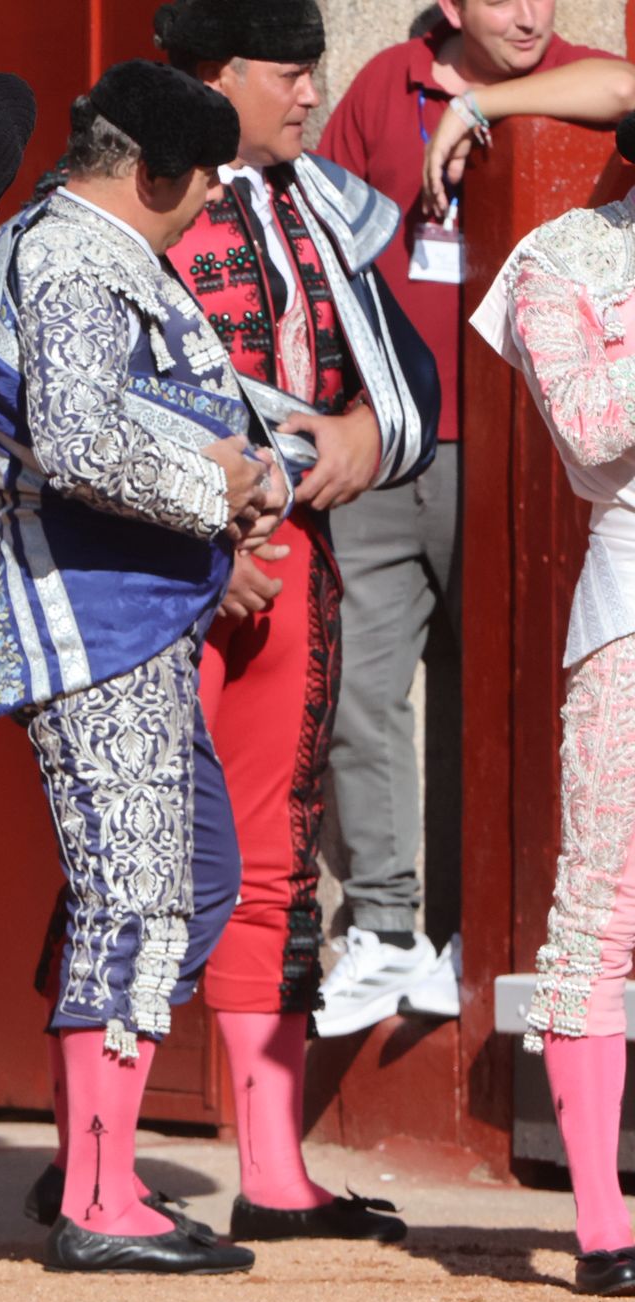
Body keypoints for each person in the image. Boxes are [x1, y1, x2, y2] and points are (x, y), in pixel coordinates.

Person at [0, 58, 273, 1276]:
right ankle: (95, 1193)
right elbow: (78, 441)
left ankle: (93, 1166)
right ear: (155, 171)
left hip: (126, 606)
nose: (210, 203)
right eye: (203, 182)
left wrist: (249, 474)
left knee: (178, 880)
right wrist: (217, 487)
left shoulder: (76, 245)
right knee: (134, 895)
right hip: (90, 612)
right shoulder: (76, 260)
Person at [155, 0, 439, 1244]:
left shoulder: (310, 202)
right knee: (129, 855)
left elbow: (400, 369)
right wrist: (197, 538)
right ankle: (91, 1165)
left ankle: (272, 1171)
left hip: (289, 560)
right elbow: (71, 399)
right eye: (290, 73)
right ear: (215, 74)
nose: (312, 94)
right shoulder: (116, 199)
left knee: (272, 855)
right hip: (155, 572)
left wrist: (366, 433)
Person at [313, 0, 635, 1038]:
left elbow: (628, 88)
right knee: (359, 690)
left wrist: (481, 107)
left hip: (509, 454)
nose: (531, 13)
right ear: (452, 4)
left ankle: (477, 933)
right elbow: (321, 246)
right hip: (387, 437)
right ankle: (383, 926)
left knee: (497, 698)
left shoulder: (575, 74)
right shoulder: (384, 83)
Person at [473, 110, 635, 1297]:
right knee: (597, 911)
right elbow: (585, 422)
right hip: (631, 608)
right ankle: (599, 1223)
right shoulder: (561, 257)